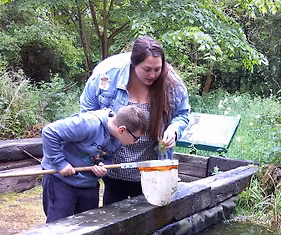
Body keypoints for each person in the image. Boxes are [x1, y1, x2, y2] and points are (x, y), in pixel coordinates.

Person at [80, 35, 190, 205]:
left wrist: (173, 129)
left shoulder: (171, 84)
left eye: (157, 69)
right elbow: (87, 117)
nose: (153, 75)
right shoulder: (105, 78)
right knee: (115, 219)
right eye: (147, 69)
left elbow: (182, 114)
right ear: (134, 63)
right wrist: (94, 156)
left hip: (152, 170)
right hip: (114, 168)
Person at [41, 105, 148, 223]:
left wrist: (104, 167)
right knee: (58, 226)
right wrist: (60, 163)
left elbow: (108, 158)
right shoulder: (88, 124)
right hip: (61, 182)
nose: (135, 142)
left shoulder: (118, 139)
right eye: (136, 138)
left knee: (88, 226)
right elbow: (49, 132)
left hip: (88, 184)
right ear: (122, 130)